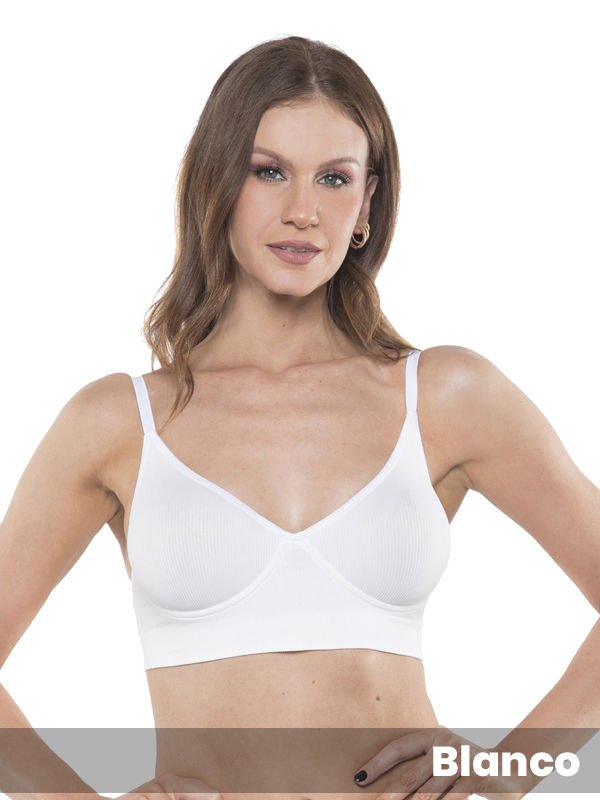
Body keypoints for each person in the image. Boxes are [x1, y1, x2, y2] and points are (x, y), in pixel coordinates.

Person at [1, 34, 599, 800]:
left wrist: (507, 770)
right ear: (217, 180)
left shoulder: (446, 397)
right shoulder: (119, 422)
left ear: (366, 203)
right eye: (269, 171)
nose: (302, 212)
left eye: (334, 178)